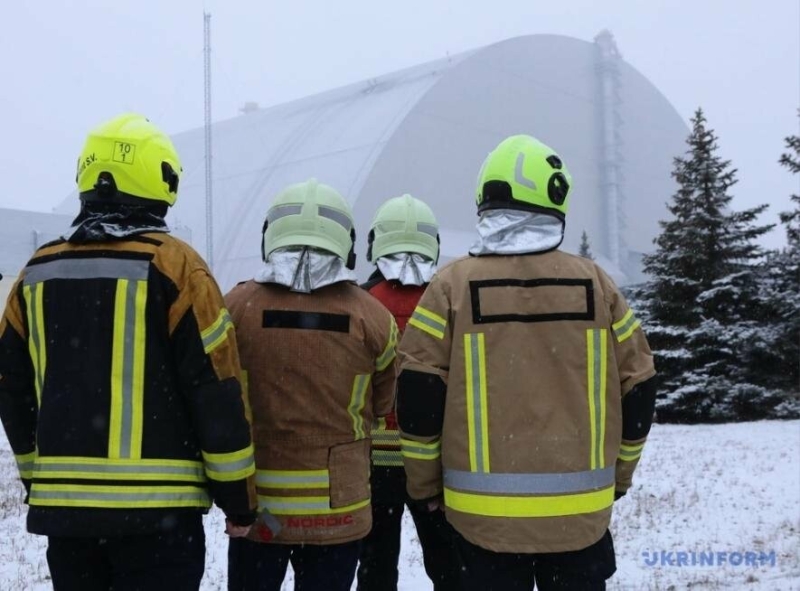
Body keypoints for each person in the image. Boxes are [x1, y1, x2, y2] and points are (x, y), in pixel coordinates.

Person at [0, 113, 258, 591]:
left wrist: (40, 480)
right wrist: (238, 499)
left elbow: (10, 387)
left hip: (69, 523)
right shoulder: (177, 267)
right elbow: (216, 386)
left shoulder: (35, 274)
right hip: (160, 523)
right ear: (161, 180)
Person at [396, 134, 657, 591]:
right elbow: (640, 387)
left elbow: (418, 399)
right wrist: (619, 478)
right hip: (580, 522)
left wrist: (424, 487)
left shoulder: (450, 287)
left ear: (486, 199)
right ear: (555, 198)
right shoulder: (597, 285)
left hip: (479, 525)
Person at [225, 179, 398, 591]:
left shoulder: (236, 307)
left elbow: (220, 396)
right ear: (346, 242)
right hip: (341, 509)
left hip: (259, 507)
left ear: (270, 236)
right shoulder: (374, 318)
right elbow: (382, 402)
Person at [356, 194, 460, 591]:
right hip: (433, 459)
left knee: (376, 565)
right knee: (448, 560)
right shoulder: (448, 301)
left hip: (373, 461)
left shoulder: (361, 303)